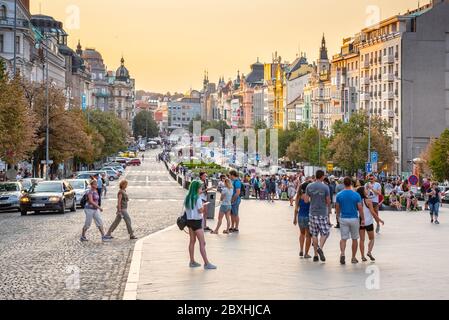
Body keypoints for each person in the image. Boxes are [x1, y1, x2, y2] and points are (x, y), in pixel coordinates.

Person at [184, 180, 217, 270]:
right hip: (197, 222)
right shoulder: (197, 198)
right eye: (200, 187)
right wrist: (204, 205)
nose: (201, 189)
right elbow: (200, 211)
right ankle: (206, 263)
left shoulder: (187, 197)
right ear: (196, 188)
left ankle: (192, 261)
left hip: (189, 221)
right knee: (202, 243)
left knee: (192, 241)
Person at [335, 177, 365, 265]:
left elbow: (337, 207)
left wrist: (337, 216)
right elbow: (360, 208)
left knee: (343, 239)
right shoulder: (356, 195)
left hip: (343, 218)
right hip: (354, 218)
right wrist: (362, 219)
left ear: (344, 184)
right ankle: (353, 257)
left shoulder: (339, 195)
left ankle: (343, 253)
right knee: (354, 239)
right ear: (351, 184)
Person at [304, 170, 332, 263]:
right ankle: (320, 247)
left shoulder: (309, 186)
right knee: (325, 232)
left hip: (312, 213)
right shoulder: (325, 187)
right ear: (322, 177)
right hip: (322, 213)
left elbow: (306, 200)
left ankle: (315, 255)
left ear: (316, 176)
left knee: (314, 234)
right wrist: (329, 211)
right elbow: (328, 201)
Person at [356, 186, 384, 262]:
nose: (367, 190)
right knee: (371, 239)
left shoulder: (357, 201)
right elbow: (372, 212)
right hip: (368, 222)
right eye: (365, 189)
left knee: (361, 240)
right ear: (363, 192)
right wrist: (379, 220)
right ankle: (369, 252)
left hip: (360, 222)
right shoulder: (368, 201)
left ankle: (362, 256)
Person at [294, 182, 312, 259]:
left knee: (302, 233)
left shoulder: (298, 196)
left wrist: (294, 218)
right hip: (308, 217)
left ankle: (301, 249)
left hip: (300, 216)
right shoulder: (310, 197)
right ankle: (306, 253)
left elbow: (296, 209)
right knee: (308, 235)